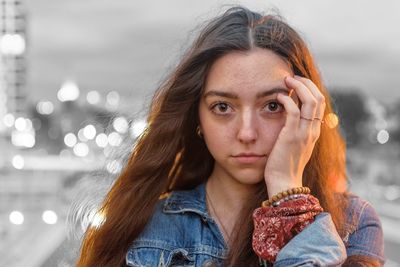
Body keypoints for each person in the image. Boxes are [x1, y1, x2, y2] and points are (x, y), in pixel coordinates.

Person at [76, 6, 385, 267]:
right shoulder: (148, 227)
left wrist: (288, 199)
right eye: (223, 106)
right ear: (197, 117)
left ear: (306, 111)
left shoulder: (353, 224)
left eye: (273, 106)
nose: (247, 133)